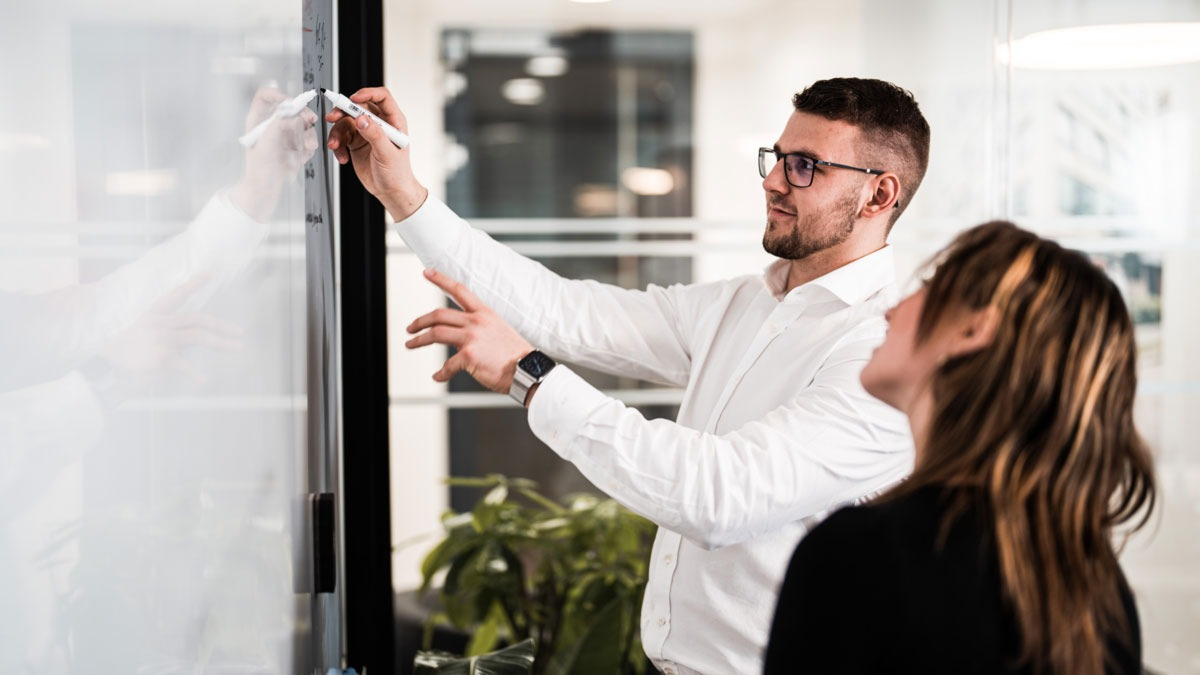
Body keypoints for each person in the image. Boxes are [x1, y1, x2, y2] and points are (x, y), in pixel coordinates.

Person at [326, 77, 931, 674]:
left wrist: (527, 374)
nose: (773, 180)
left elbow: (718, 496)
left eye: (805, 166)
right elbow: (564, 312)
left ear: (877, 196)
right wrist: (404, 194)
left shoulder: (882, 353)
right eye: (776, 158)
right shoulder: (743, 305)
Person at [763, 221, 1157, 674]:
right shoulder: (1094, 587)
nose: (893, 309)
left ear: (972, 332)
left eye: (929, 286)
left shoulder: (860, 557)